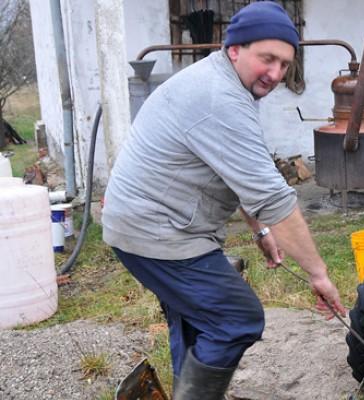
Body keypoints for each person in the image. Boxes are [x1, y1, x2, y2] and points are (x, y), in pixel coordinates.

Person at [101, 3, 346, 399]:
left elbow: (236, 170)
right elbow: (272, 197)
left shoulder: (223, 84)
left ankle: (190, 391)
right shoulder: (218, 97)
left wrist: (259, 231)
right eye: (267, 59)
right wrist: (318, 275)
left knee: (200, 319)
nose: (275, 74)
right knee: (238, 317)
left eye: (285, 64)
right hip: (157, 233)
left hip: (147, 223)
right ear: (234, 49)